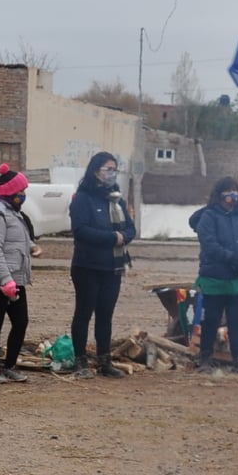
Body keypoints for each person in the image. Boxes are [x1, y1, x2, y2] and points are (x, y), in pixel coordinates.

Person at [68, 150, 136, 378]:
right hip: (87, 266)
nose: (113, 174)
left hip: (112, 267)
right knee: (84, 313)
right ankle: (80, 361)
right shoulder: (83, 198)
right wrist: (112, 238)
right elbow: (81, 230)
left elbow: (130, 228)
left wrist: (123, 236)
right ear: (96, 171)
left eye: (115, 170)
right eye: (109, 169)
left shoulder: (116, 198)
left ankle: (104, 361)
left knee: (105, 314)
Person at [190, 176, 238, 373]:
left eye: (235, 190)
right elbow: (210, 243)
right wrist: (231, 258)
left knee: (236, 321)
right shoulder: (209, 216)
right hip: (215, 277)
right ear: (220, 194)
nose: (233, 195)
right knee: (211, 320)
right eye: (229, 191)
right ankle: (205, 358)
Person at [0, 163, 36, 383]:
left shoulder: (14, 212)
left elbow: (19, 239)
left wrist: (31, 248)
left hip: (17, 276)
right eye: (21, 191)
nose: (24, 195)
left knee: (21, 321)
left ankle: (10, 364)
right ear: (11, 192)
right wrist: (5, 280)